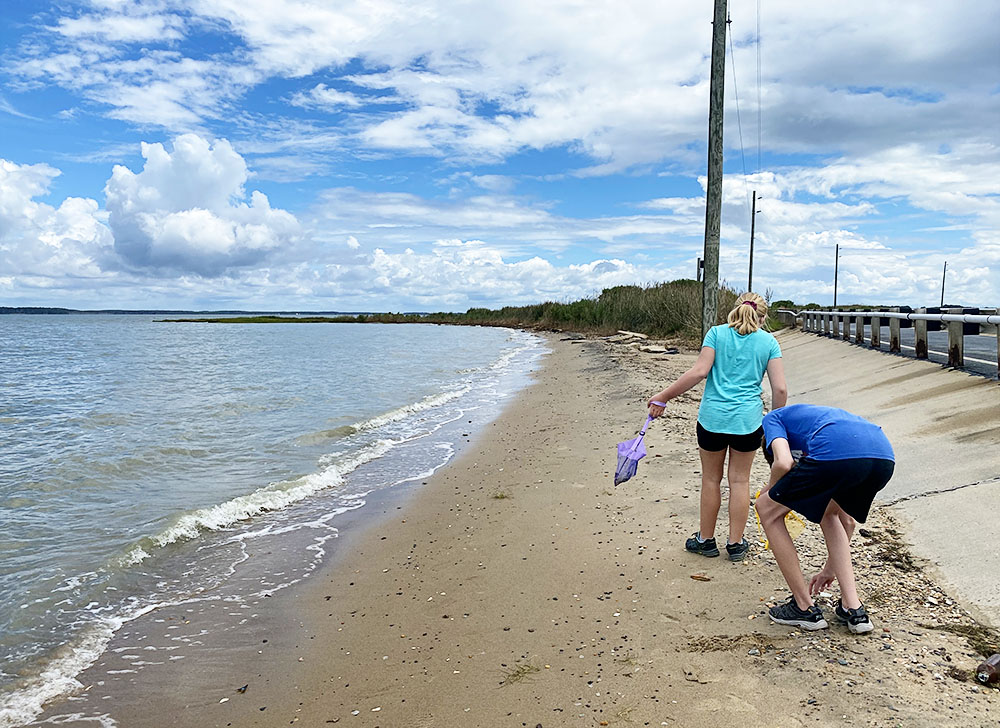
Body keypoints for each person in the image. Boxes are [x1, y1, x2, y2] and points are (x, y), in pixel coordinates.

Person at [647, 292, 787, 561]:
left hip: (712, 419)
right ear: (763, 316)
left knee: (711, 479)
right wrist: (776, 425)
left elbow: (699, 372)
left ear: (735, 310)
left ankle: (705, 540)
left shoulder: (716, 334)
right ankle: (735, 544)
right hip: (748, 422)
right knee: (740, 480)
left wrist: (663, 397)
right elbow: (779, 389)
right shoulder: (769, 342)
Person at [756, 404, 895, 633]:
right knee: (828, 511)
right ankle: (854, 610)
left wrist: (771, 489)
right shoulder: (818, 423)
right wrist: (828, 571)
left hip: (837, 454)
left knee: (766, 509)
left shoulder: (773, 419)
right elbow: (847, 522)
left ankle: (803, 608)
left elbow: (783, 463)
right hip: (882, 457)